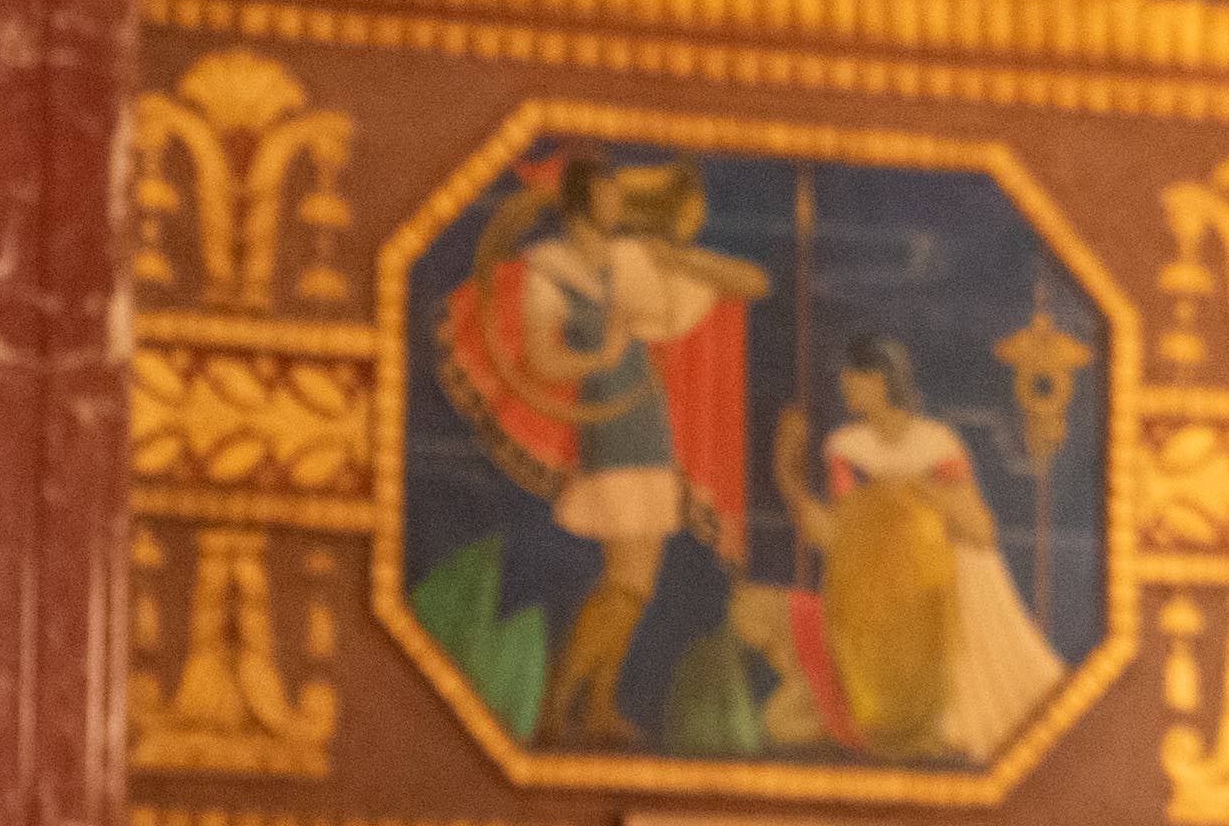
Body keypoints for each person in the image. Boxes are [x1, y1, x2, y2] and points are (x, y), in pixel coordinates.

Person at [433, 159, 768, 751]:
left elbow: (750, 282)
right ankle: (560, 704)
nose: (620, 201)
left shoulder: (630, 256)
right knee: (625, 580)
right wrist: (601, 356)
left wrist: (681, 258)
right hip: (611, 421)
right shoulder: (551, 267)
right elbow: (542, 361)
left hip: (647, 419)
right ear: (585, 199)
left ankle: (601, 705)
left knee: (637, 584)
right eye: (609, 191)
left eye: (621, 190)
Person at [751, 333, 1060, 761]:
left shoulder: (936, 442)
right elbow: (839, 536)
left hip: (947, 572)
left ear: (880, 381)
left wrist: (925, 495)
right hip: (884, 585)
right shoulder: (846, 446)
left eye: (854, 378)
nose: (845, 386)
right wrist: (787, 475)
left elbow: (982, 531)